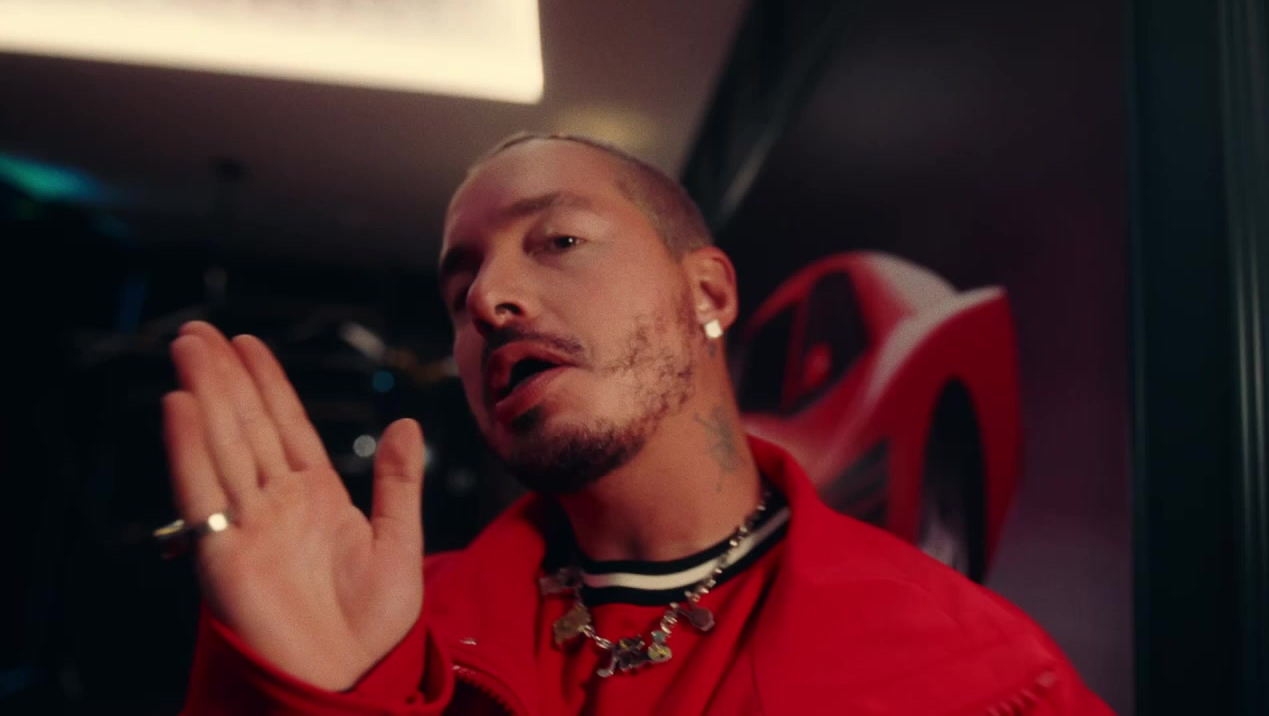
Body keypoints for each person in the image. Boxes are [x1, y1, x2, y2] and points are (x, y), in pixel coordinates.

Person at [163, 133, 1114, 715]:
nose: (489, 298)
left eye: (560, 240)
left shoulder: (974, 672)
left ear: (708, 293)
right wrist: (317, 699)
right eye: (459, 291)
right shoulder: (395, 629)